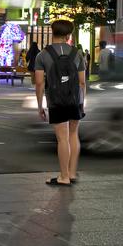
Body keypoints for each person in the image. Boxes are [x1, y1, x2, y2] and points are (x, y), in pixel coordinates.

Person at [34, 20, 86, 186]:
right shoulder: (77, 54)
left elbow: (40, 83)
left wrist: (40, 105)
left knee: (62, 138)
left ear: (52, 33)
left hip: (56, 101)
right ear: (68, 35)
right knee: (73, 135)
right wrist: (81, 102)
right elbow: (82, 82)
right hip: (74, 100)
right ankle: (71, 173)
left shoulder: (42, 55)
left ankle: (63, 176)